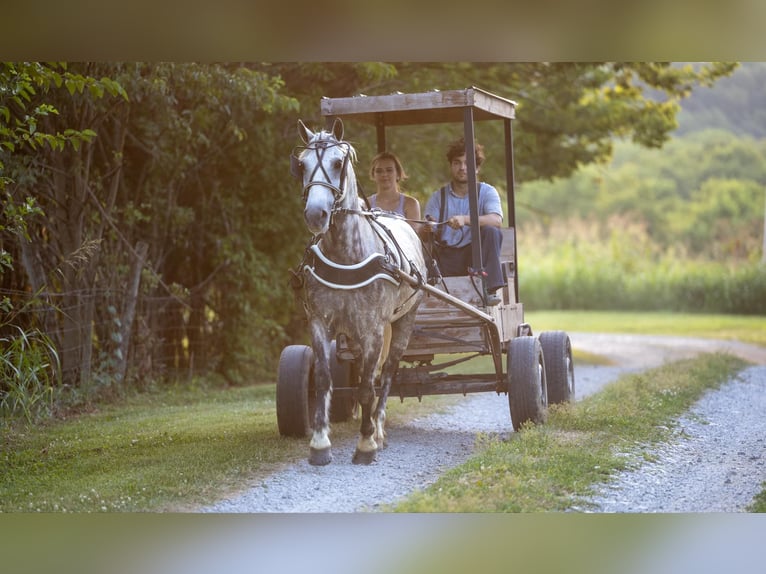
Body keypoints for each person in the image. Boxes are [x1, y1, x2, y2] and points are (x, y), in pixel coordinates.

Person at [422, 137, 505, 305]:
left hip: (475, 258)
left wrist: (465, 220)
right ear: (451, 166)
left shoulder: (487, 192)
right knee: (428, 246)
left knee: (491, 231)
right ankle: (425, 294)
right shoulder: (439, 196)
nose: (462, 168)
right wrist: (429, 227)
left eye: (468, 163)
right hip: (446, 257)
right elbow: (428, 225)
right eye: (457, 163)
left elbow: (496, 220)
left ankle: (488, 290)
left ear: (477, 167)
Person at [368, 151, 421, 232]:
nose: (384, 174)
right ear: (373, 175)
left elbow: (414, 240)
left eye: (389, 170)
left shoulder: (411, 204)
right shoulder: (365, 204)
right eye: (379, 171)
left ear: (398, 174)